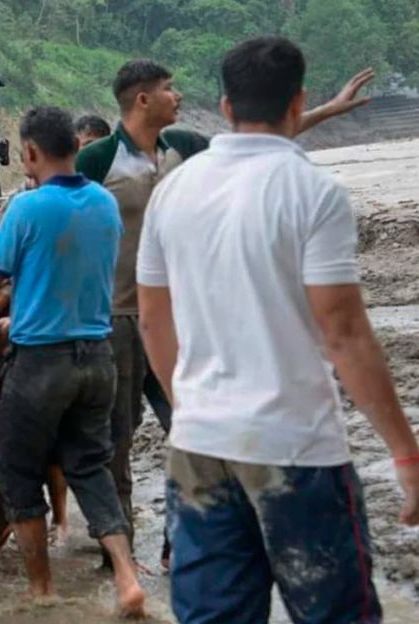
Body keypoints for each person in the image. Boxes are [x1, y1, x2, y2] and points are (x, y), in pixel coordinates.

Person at [137, 36, 419, 623]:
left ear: (223, 107)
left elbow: (153, 318)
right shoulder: (313, 191)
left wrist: (189, 405)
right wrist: (404, 451)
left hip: (199, 446)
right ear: (299, 102)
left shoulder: (174, 191)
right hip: (297, 449)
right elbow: (342, 330)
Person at [76, 57, 376, 562]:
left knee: (190, 426)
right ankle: (119, 548)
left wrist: (327, 111)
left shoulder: (185, 148)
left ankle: (182, 544)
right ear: (142, 99)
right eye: (169, 89)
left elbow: (259, 142)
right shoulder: (98, 159)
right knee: (117, 439)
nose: (179, 96)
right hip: (117, 321)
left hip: (181, 320)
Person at [0, 106, 145, 616]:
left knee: (16, 465)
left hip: (41, 362)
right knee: (91, 465)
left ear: (29, 153)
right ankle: (127, 576)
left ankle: (42, 587)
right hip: (98, 355)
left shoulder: (26, 208)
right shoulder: (104, 204)